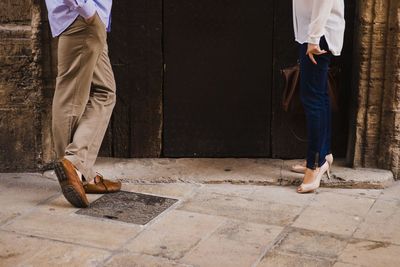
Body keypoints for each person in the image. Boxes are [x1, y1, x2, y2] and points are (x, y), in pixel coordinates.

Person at [45, 0, 121, 207]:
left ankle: (79, 171)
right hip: (82, 20)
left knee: (105, 91)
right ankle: (74, 166)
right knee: (70, 96)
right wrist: (86, 10)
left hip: (87, 21)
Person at [292, 0, 345, 193]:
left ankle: (314, 166)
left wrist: (313, 37)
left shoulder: (315, 35)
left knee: (312, 99)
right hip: (312, 29)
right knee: (319, 96)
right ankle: (324, 155)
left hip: (318, 33)